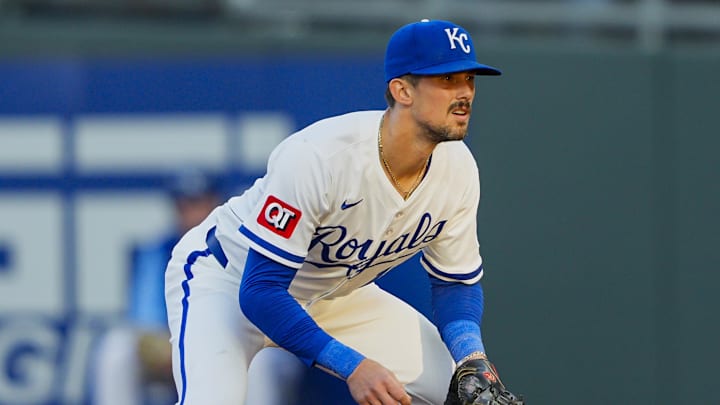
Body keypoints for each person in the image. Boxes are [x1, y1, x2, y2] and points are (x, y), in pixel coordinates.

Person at [165, 19, 523, 405]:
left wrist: (472, 357)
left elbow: (455, 283)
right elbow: (260, 293)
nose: (465, 92)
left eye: (470, 79)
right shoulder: (321, 156)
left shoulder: (458, 170)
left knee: (467, 393)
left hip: (334, 296)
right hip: (228, 283)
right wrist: (351, 365)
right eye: (447, 79)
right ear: (402, 90)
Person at [94, 169, 305, 405]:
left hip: (246, 343)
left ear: (218, 203)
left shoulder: (247, 245)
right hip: (178, 344)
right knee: (117, 349)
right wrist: (179, 347)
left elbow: (263, 316)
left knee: (261, 362)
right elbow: (146, 320)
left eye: (201, 203)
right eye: (186, 205)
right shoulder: (157, 251)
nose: (193, 213)